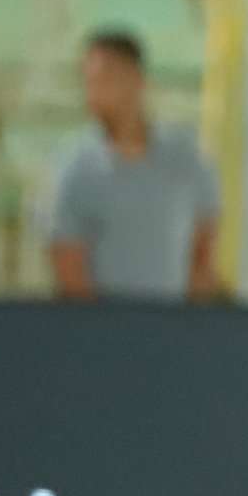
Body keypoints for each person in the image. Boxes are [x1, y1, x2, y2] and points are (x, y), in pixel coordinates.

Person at [47, 31, 222, 304]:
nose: (94, 92)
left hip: (175, 334)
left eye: (105, 79)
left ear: (137, 81)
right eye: (89, 81)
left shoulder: (187, 161)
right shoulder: (75, 170)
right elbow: (68, 269)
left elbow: (203, 252)